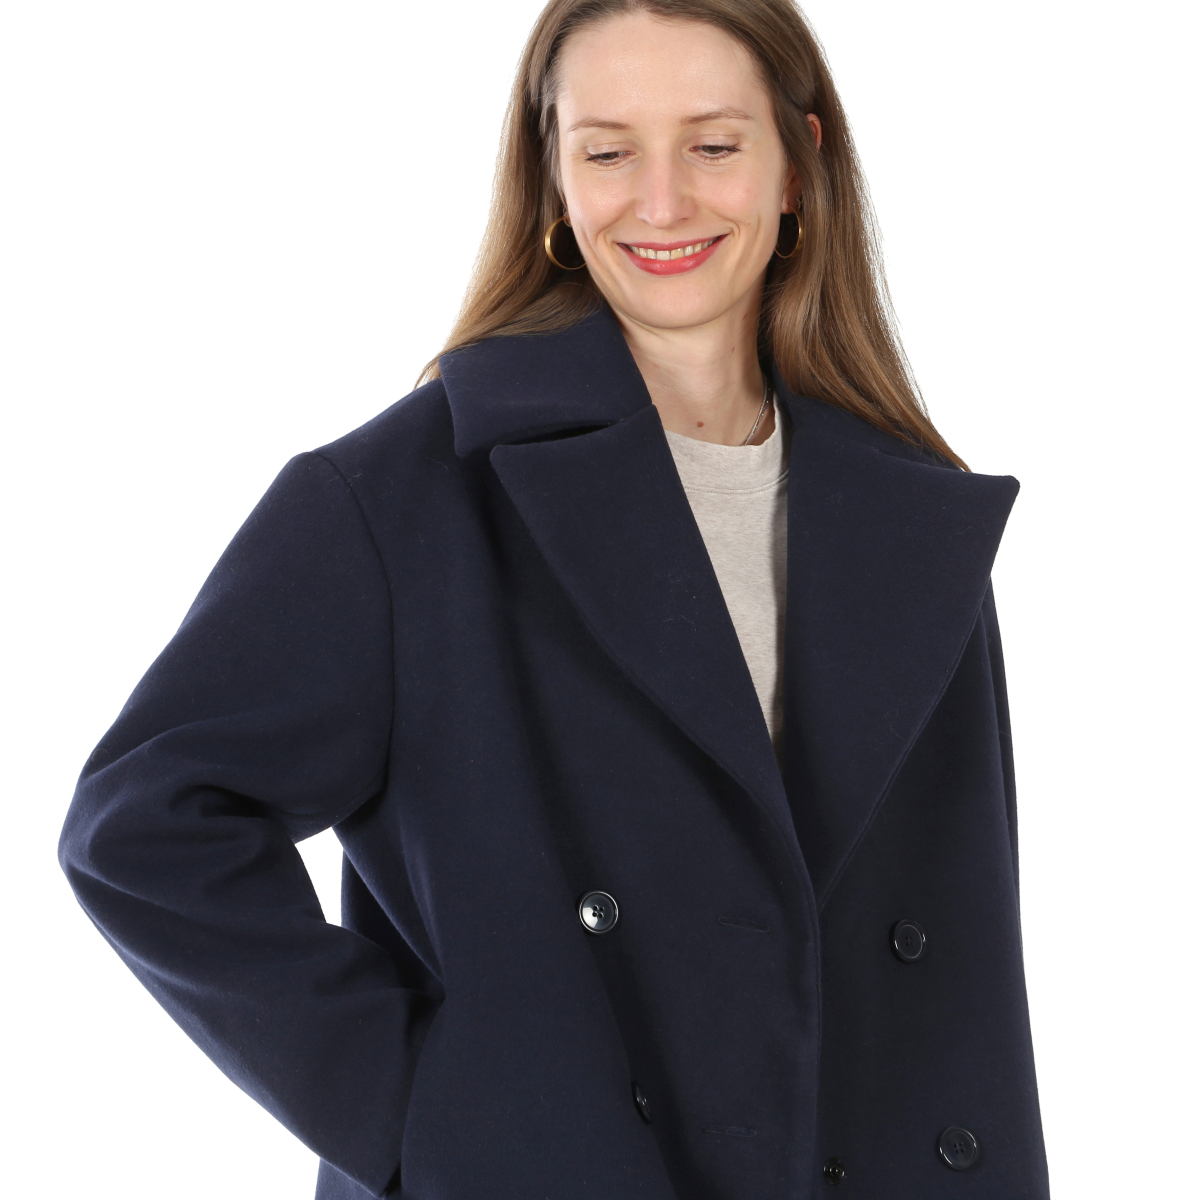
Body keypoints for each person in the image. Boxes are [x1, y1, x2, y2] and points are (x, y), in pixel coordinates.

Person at [59, 1, 1050, 1196]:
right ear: (552, 178)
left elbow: (954, 969)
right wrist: (438, 1115)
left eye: (714, 144)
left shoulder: (913, 511)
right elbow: (145, 825)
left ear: (799, 164)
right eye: (609, 150)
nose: (662, 201)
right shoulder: (406, 495)